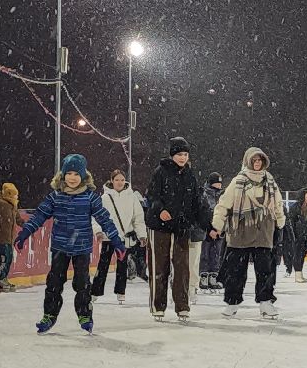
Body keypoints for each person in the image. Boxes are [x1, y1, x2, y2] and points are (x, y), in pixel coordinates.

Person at [17, 154, 125, 333]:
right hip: (60, 247)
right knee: (54, 283)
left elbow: (105, 220)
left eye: (76, 174)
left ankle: (85, 315)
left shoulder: (90, 197)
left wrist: (117, 241)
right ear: (63, 175)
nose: (72, 178)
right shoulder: (56, 196)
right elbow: (39, 216)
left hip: (81, 247)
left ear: (83, 176)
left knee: (82, 283)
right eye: (69, 173)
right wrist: (25, 233)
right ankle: (49, 315)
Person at [212, 147, 286, 317]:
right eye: (254, 160)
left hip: (263, 230)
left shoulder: (270, 181)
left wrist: (280, 220)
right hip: (240, 231)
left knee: (265, 270)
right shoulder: (239, 181)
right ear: (248, 161)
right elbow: (224, 203)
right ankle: (232, 302)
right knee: (236, 271)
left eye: (260, 160)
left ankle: (265, 302)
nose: (257, 163)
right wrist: (217, 225)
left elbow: (277, 203)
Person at [144, 137, 210, 321]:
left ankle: (182, 306)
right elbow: (152, 195)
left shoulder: (190, 175)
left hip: (181, 227)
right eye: (179, 154)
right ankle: (158, 306)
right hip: (159, 227)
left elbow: (197, 203)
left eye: (185, 154)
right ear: (172, 154)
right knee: (160, 267)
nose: (183, 157)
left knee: (182, 268)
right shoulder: (161, 172)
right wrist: (161, 210)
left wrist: (208, 225)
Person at [94, 168, 147, 304]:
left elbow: (138, 218)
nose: (120, 182)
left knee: (122, 266)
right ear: (112, 181)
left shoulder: (132, 197)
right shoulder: (104, 198)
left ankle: (120, 291)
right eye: (117, 180)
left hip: (123, 238)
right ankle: (95, 292)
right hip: (108, 237)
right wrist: (98, 231)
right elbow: (96, 216)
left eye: (122, 180)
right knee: (103, 265)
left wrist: (142, 235)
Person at [198, 174, 227, 292]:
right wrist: (209, 228)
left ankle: (214, 275)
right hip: (207, 229)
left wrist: (220, 228)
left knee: (216, 253)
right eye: (216, 183)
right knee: (205, 252)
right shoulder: (204, 194)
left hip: (219, 229)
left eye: (220, 183)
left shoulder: (223, 195)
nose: (219, 185)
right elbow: (203, 213)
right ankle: (204, 275)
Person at [283, 191, 307, 282]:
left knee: (303, 254)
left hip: (306, 236)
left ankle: (300, 274)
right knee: (297, 254)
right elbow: (290, 223)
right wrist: (293, 236)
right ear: (302, 197)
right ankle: (297, 275)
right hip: (297, 236)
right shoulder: (295, 207)